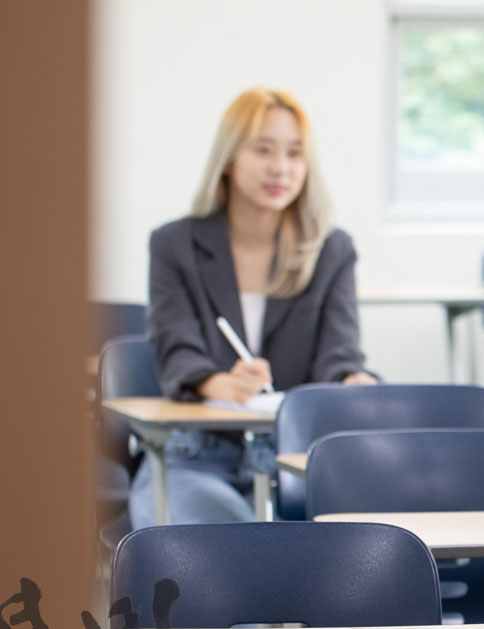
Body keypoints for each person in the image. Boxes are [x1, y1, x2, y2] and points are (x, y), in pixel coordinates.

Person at [130, 88, 376, 530]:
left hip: (294, 463)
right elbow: (177, 349)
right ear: (228, 158)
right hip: (196, 457)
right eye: (263, 150)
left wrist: (352, 381)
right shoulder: (174, 245)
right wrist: (219, 382)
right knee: (228, 561)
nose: (280, 168)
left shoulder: (331, 249)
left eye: (295, 154)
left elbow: (338, 354)